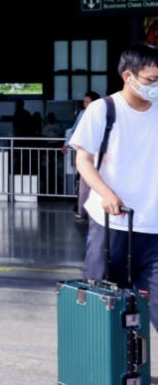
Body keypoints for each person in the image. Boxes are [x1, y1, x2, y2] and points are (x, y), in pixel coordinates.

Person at [69, 42, 158, 330]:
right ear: (128, 76)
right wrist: (106, 193)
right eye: (152, 79)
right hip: (112, 225)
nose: (156, 86)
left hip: (154, 227)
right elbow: (83, 160)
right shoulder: (103, 110)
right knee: (102, 310)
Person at [62, 91, 101, 218]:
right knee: (82, 178)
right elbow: (74, 130)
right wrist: (67, 144)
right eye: (84, 102)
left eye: (87, 102)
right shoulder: (83, 113)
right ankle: (81, 206)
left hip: (97, 151)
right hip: (85, 151)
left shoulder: (101, 112)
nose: (85, 104)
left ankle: (86, 207)